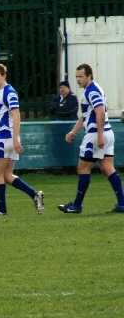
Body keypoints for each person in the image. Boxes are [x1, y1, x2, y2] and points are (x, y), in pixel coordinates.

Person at [57, 63, 124, 214]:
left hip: (96, 134)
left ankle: (76, 205)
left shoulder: (91, 91)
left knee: (83, 168)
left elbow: (100, 113)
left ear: (89, 76)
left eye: (81, 76)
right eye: (77, 77)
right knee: (108, 168)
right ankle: (122, 204)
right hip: (107, 132)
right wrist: (73, 132)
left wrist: (99, 136)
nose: (78, 79)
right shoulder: (93, 89)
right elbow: (87, 115)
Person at [0, 63, 44, 216]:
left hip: (5, 139)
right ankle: (35, 195)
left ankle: (2, 210)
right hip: (3, 138)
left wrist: (16, 138)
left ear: (4, 76)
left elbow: (16, 115)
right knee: (7, 175)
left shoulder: (9, 93)